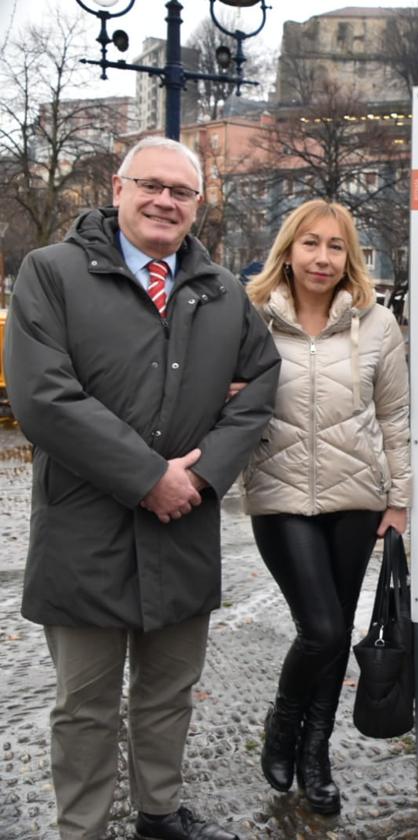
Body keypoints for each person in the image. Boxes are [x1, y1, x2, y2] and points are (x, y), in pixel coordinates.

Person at [3, 136, 280, 840]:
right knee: (85, 704)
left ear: (197, 206)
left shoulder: (222, 292)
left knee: (168, 692)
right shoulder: (51, 272)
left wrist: (203, 473)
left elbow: (260, 386)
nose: (164, 201)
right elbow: (43, 398)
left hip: (182, 526)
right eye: (151, 185)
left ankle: (158, 813)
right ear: (118, 188)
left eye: (181, 192)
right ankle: (84, 828)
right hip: (84, 530)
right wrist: (149, 477)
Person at [242, 199, 410, 815]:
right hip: (280, 496)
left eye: (336, 246)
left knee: (335, 634)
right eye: (310, 243)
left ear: (351, 257)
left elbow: (394, 415)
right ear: (287, 250)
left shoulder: (377, 325)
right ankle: (283, 725)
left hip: (357, 498)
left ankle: (317, 757)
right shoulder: (251, 318)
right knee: (323, 628)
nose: (322, 257)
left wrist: (400, 501)